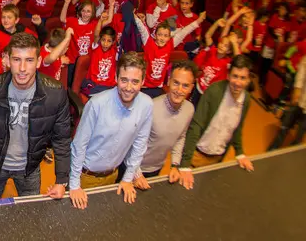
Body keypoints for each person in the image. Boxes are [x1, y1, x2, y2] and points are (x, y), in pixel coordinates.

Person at [0, 33, 72, 204]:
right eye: (16, 59)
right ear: (7, 60)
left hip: (29, 168)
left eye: (29, 60)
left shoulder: (55, 92)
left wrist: (61, 180)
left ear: (38, 62)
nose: (22, 68)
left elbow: (62, 139)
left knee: (30, 217)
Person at [69, 52, 154, 210]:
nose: (128, 87)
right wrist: (74, 185)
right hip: (86, 177)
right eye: (124, 80)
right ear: (116, 78)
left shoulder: (147, 105)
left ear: (143, 81)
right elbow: (79, 145)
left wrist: (128, 178)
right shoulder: (97, 104)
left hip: (114, 176)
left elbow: (139, 144)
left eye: (135, 81)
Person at [179, 55, 255, 185]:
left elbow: (237, 128)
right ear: (228, 75)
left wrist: (240, 153)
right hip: (196, 156)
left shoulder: (246, 100)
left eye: (243, 78)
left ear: (248, 80)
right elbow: (196, 126)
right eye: (235, 76)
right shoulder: (214, 91)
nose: (237, 82)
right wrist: (185, 164)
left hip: (217, 159)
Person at [126, 60, 198, 191]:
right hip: (132, 168)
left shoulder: (190, 109)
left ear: (191, 88)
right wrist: (135, 173)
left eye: (185, 85)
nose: (179, 90)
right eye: (176, 83)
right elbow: (129, 143)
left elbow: (180, 137)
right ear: (169, 81)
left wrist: (174, 165)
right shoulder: (150, 108)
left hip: (156, 168)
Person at [268, 53, 306, 149]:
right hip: (298, 101)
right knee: (284, 128)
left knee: (299, 136)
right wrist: (297, 88)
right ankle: (272, 150)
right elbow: (302, 68)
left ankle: (291, 156)